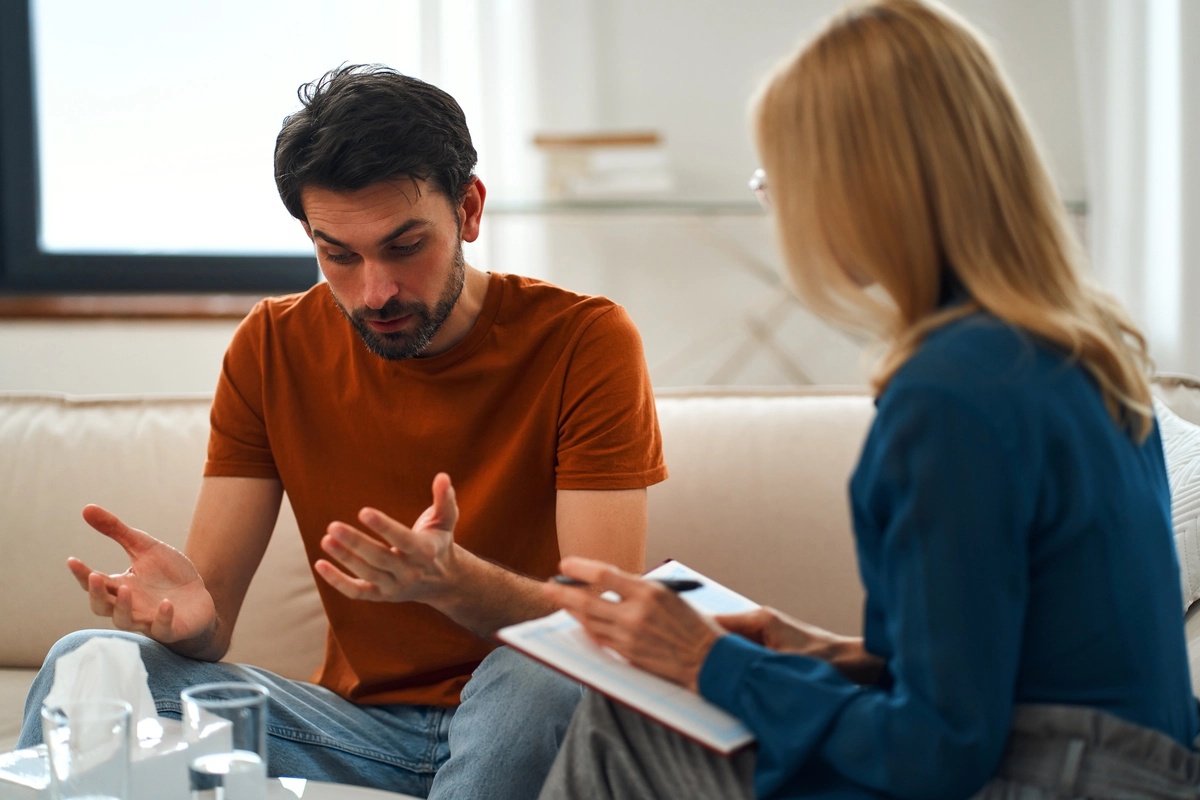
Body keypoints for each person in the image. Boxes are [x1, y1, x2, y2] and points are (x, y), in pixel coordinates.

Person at [535, 1, 1200, 798]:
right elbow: (1017, 661)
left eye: (778, 178)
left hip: (1046, 780)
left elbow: (937, 750)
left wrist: (708, 661)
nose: (777, 207)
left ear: (862, 187)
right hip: (1133, 772)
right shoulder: (1083, 355)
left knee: (627, 721)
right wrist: (813, 651)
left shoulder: (951, 395)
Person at [18, 64, 666, 800]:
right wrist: (188, 623)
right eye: (339, 255)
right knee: (91, 662)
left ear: (470, 210)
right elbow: (212, 625)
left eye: (404, 246)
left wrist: (454, 584)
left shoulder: (584, 340)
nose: (375, 291)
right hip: (356, 733)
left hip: (530, 713)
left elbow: (600, 625)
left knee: (544, 670)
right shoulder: (270, 347)